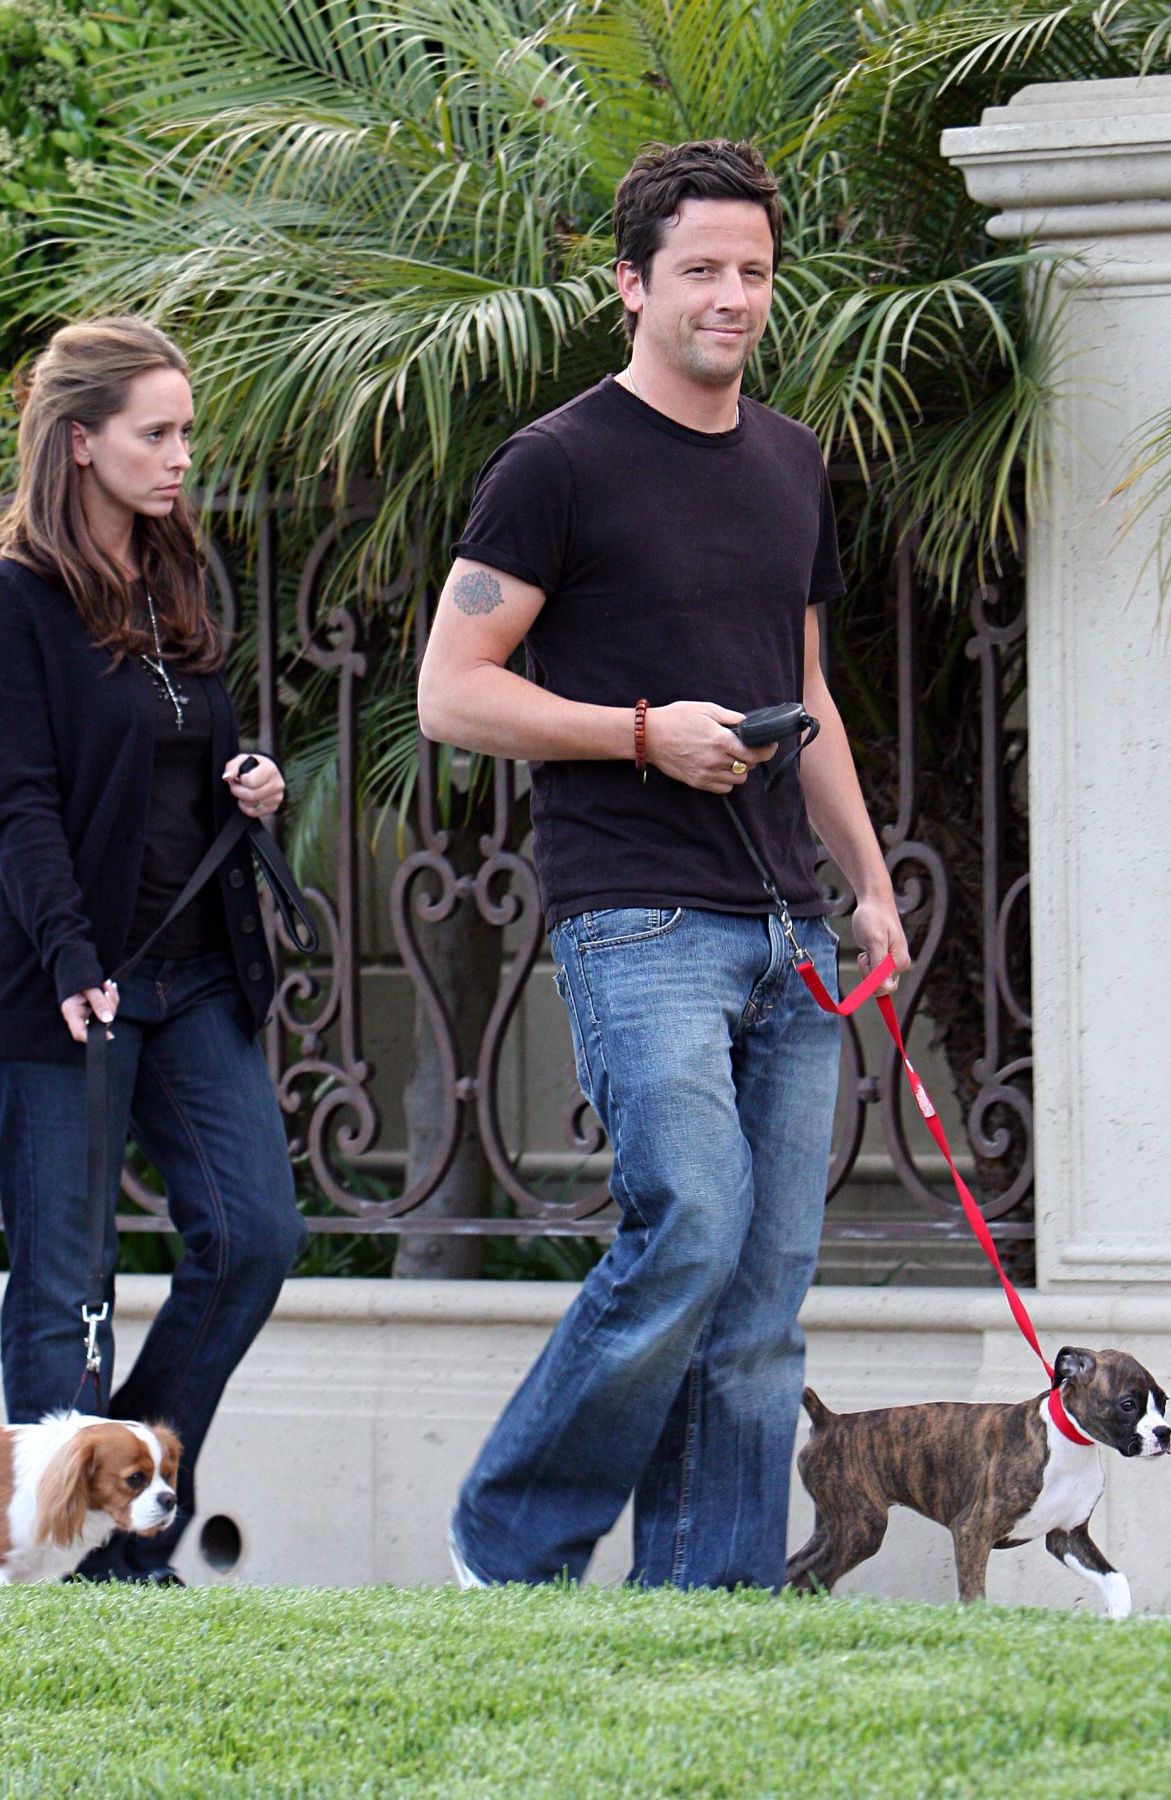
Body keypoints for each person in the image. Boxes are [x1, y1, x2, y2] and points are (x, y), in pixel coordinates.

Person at [418, 140, 911, 1591]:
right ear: (632, 282)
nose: (732, 295)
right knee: (690, 1226)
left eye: (754, 270)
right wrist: (642, 734)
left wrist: (870, 884)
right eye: (701, 268)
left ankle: (711, 1593)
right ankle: (510, 1539)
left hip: (789, 925)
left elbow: (803, 691)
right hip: (636, 914)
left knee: (762, 1299)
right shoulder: (556, 463)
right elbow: (451, 691)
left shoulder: (792, 462)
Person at [0, 316, 307, 1583]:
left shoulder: (172, 576)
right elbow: (22, 803)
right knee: (67, 1280)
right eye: (155, 433)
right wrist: (68, 959)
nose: (179, 457)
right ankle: (59, 1567)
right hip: (66, 982)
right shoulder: (12, 599)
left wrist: (246, 783)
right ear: (79, 440)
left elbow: (168, 757)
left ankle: (126, 1499)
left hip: (190, 967)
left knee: (255, 1233)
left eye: (185, 432)